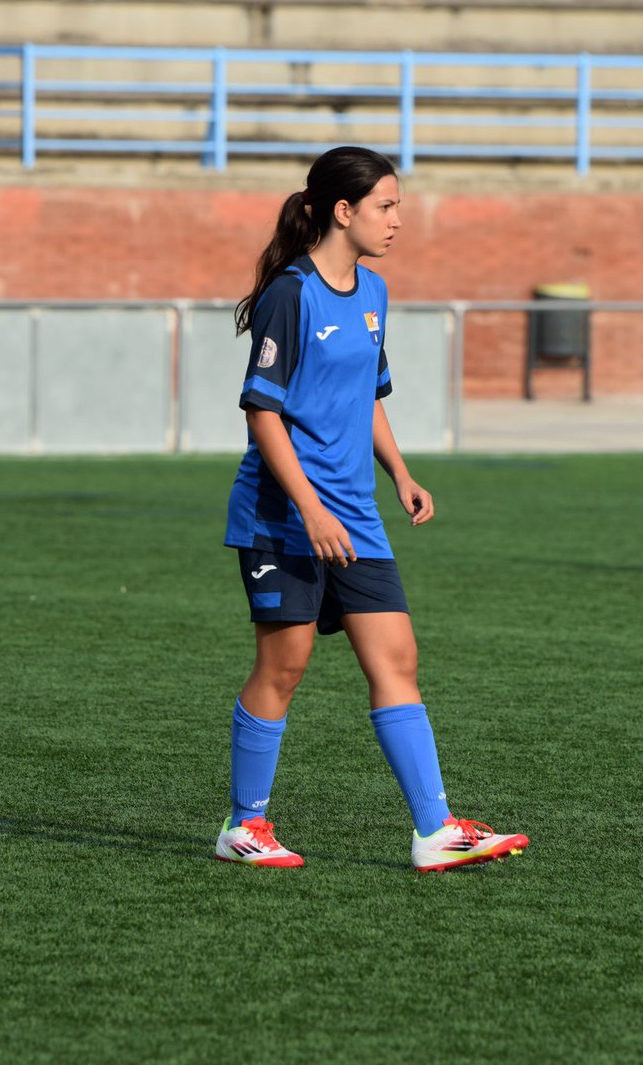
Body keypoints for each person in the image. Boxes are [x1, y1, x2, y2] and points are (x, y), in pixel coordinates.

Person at [217, 146, 529, 871]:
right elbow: (262, 415)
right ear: (342, 211)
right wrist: (311, 509)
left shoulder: (374, 293)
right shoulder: (290, 295)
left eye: (398, 207)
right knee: (284, 666)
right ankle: (245, 826)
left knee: (398, 659)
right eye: (386, 207)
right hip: (282, 515)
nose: (397, 221)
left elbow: (368, 399)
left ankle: (435, 830)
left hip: (355, 514)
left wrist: (400, 473)